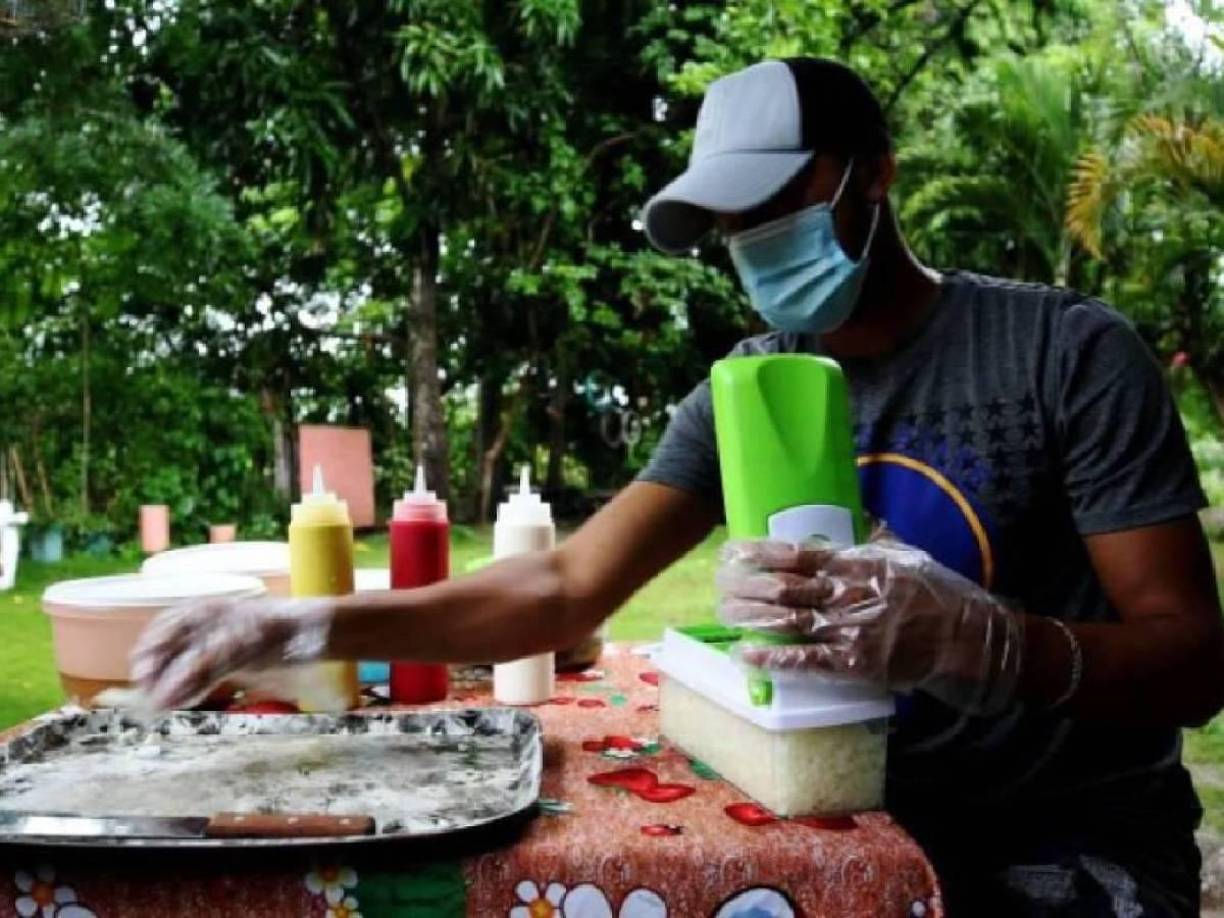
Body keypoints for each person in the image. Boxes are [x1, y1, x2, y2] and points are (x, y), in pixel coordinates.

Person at [132, 58, 1224, 916]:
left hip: (1066, 837)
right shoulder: (746, 391)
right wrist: (300, 622)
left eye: (772, 202)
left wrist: (984, 642)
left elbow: (1192, 662)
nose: (750, 242)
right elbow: (562, 590)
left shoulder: (1061, 355)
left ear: (872, 171)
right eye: (727, 224)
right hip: (844, 818)